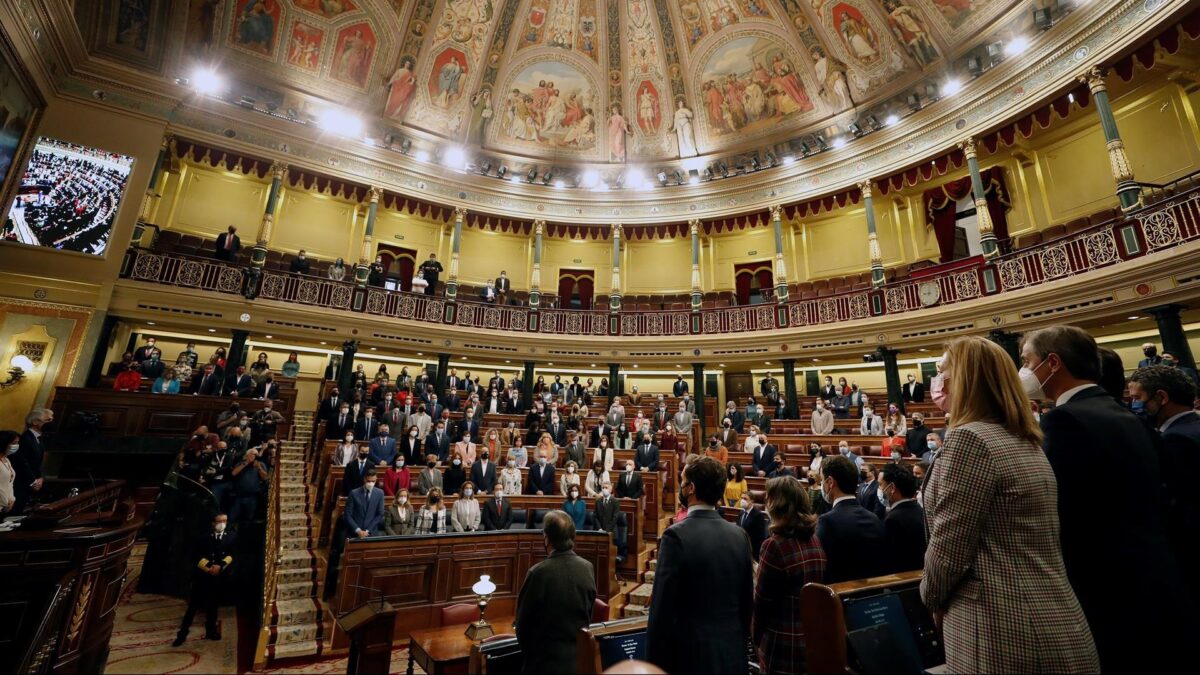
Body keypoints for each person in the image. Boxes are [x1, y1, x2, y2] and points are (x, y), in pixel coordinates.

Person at [923, 334, 1098, 672]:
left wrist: (930, 597)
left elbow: (950, 547)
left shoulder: (969, 438)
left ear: (965, 378)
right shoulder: (1024, 437)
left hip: (1000, 623)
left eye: (943, 371)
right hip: (1053, 613)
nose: (938, 379)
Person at [1022, 327, 1184, 671]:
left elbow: (1059, 510)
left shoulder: (1065, 421)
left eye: (1027, 360)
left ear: (1052, 363)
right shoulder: (1124, 413)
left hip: (1104, 588)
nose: (1023, 370)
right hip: (1154, 575)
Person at [647, 456, 753, 675]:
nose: (681, 486)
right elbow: (746, 605)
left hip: (691, 659)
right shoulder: (739, 535)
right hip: (732, 656)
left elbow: (661, 613)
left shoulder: (675, 536)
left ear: (691, 489)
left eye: (683, 481)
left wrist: (652, 666)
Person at [1127, 364, 1200, 601]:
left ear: (1162, 397)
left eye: (1137, 398)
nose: (1134, 405)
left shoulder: (1175, 439)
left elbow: (1178, 502)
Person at [752, 476, 826, 675]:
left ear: (778, 504)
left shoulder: (774, 545)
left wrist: (754, 638)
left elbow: (762, 602)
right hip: (810, 637)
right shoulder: (814, 539)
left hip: (782, 641)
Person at [515, 510, 597, 674]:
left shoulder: (538, 573)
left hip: (543, 664)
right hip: (578, 663)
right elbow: (588, 613)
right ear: (572, 536)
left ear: (546, 538)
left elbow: (522, 627)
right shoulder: (587, 568)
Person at [815, 455, 885, 584]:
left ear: (830, 482)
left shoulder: (828, 521)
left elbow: (821, 568)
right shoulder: (873, 518)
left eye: (822, 480)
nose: (821, 485)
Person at [173, 513, 235, 646]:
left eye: (225, 521)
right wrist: (208, 567)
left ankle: (211, 630)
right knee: (192, 607)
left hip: (218, 576)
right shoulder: (204, 537)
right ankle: (182, 634)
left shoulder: (230, 537)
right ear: (213, 523)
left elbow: (232, 554)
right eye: (220, 521)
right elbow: (195, 555)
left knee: (213, 606)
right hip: (202, 576)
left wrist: (221, 566)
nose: (222, 524)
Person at [879, 463, 924, 573]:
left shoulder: (892, 520)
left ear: (892, 488)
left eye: (880, 485)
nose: (879, 489)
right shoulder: (920, 510)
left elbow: (891, 559)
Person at [344, 469, 385, 540]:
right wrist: (358, 530)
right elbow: (347, 514)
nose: (371, 483)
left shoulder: (380, 493)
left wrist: (368, 530)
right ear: (364, 479)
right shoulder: (354, 493)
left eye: (373, 481)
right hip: (355, 533)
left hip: (371, 533)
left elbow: (380, 514)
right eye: (368, 481)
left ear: (376, 480)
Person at [735, 493, 768, 561]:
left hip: (752, 551)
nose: (742, 500)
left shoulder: (758, 515)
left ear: (751, 501)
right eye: (741, 498)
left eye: (745, 499)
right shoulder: (741, 513)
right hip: (740, 548)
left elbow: (760, 537)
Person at [0, 431, 18, 515]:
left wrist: (11, 499)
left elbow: (9, 482)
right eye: (14, 443)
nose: (16, 446)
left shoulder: (6, 459)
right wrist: (5, 502)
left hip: (5, 506)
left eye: (17, 443)